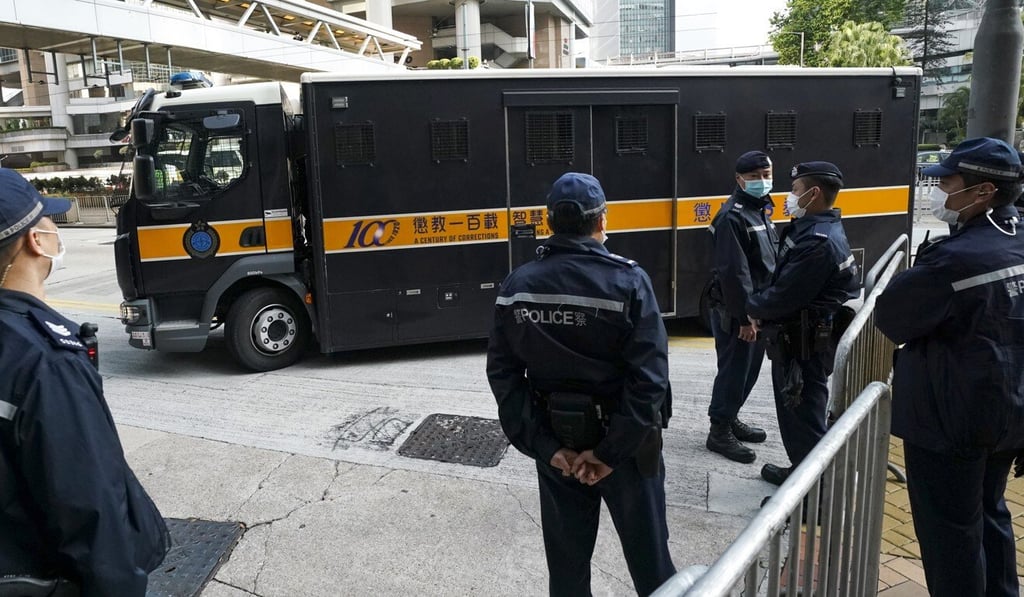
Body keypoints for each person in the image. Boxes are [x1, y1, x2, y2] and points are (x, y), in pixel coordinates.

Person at [486, 172, 675, 596]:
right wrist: (609, 454)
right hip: (627, 451)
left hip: (559, 447)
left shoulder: (517, 287)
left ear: (549, 222)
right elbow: (649, 380)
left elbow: (503, 375)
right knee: (653, 567)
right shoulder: (628, 282)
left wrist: (546, 448)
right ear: (602, 221)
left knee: (567, 572)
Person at [0, 169, 170, 597]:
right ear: (35, 241)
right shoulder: (45, 362)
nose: (56, 228)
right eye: (49, 218)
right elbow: (91, 513)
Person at [875, 137, 1024, 597]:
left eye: (947, 181)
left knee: (950, 537)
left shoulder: (956, 259)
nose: (938, 189)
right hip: (1008, 412)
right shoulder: (1014, 240)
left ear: (982, 192)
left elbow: (892, 316)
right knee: (989, 511)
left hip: (951, 419)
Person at [746, 162, 860, 486]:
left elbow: (785, 296)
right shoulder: (815, 228)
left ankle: (815, 497)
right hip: (802, 339)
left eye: (795, 190)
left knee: (803, 419)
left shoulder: (818, 241)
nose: (789, 196)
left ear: (814, 193)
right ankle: (801, 471)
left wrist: (752, 307)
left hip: (802, 343)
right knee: (798, 417)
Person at [705, 150, 778, 463]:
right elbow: (734, 273)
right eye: (753, 177)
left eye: (766, 175)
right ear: (738, 179)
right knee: (735, 371)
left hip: (759, 308)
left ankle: (730, 417)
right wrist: (745, 319)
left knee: (748, 371)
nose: (762, 181)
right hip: (740, 312)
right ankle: (719, 431)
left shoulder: (760, 210)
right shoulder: (732, 216)